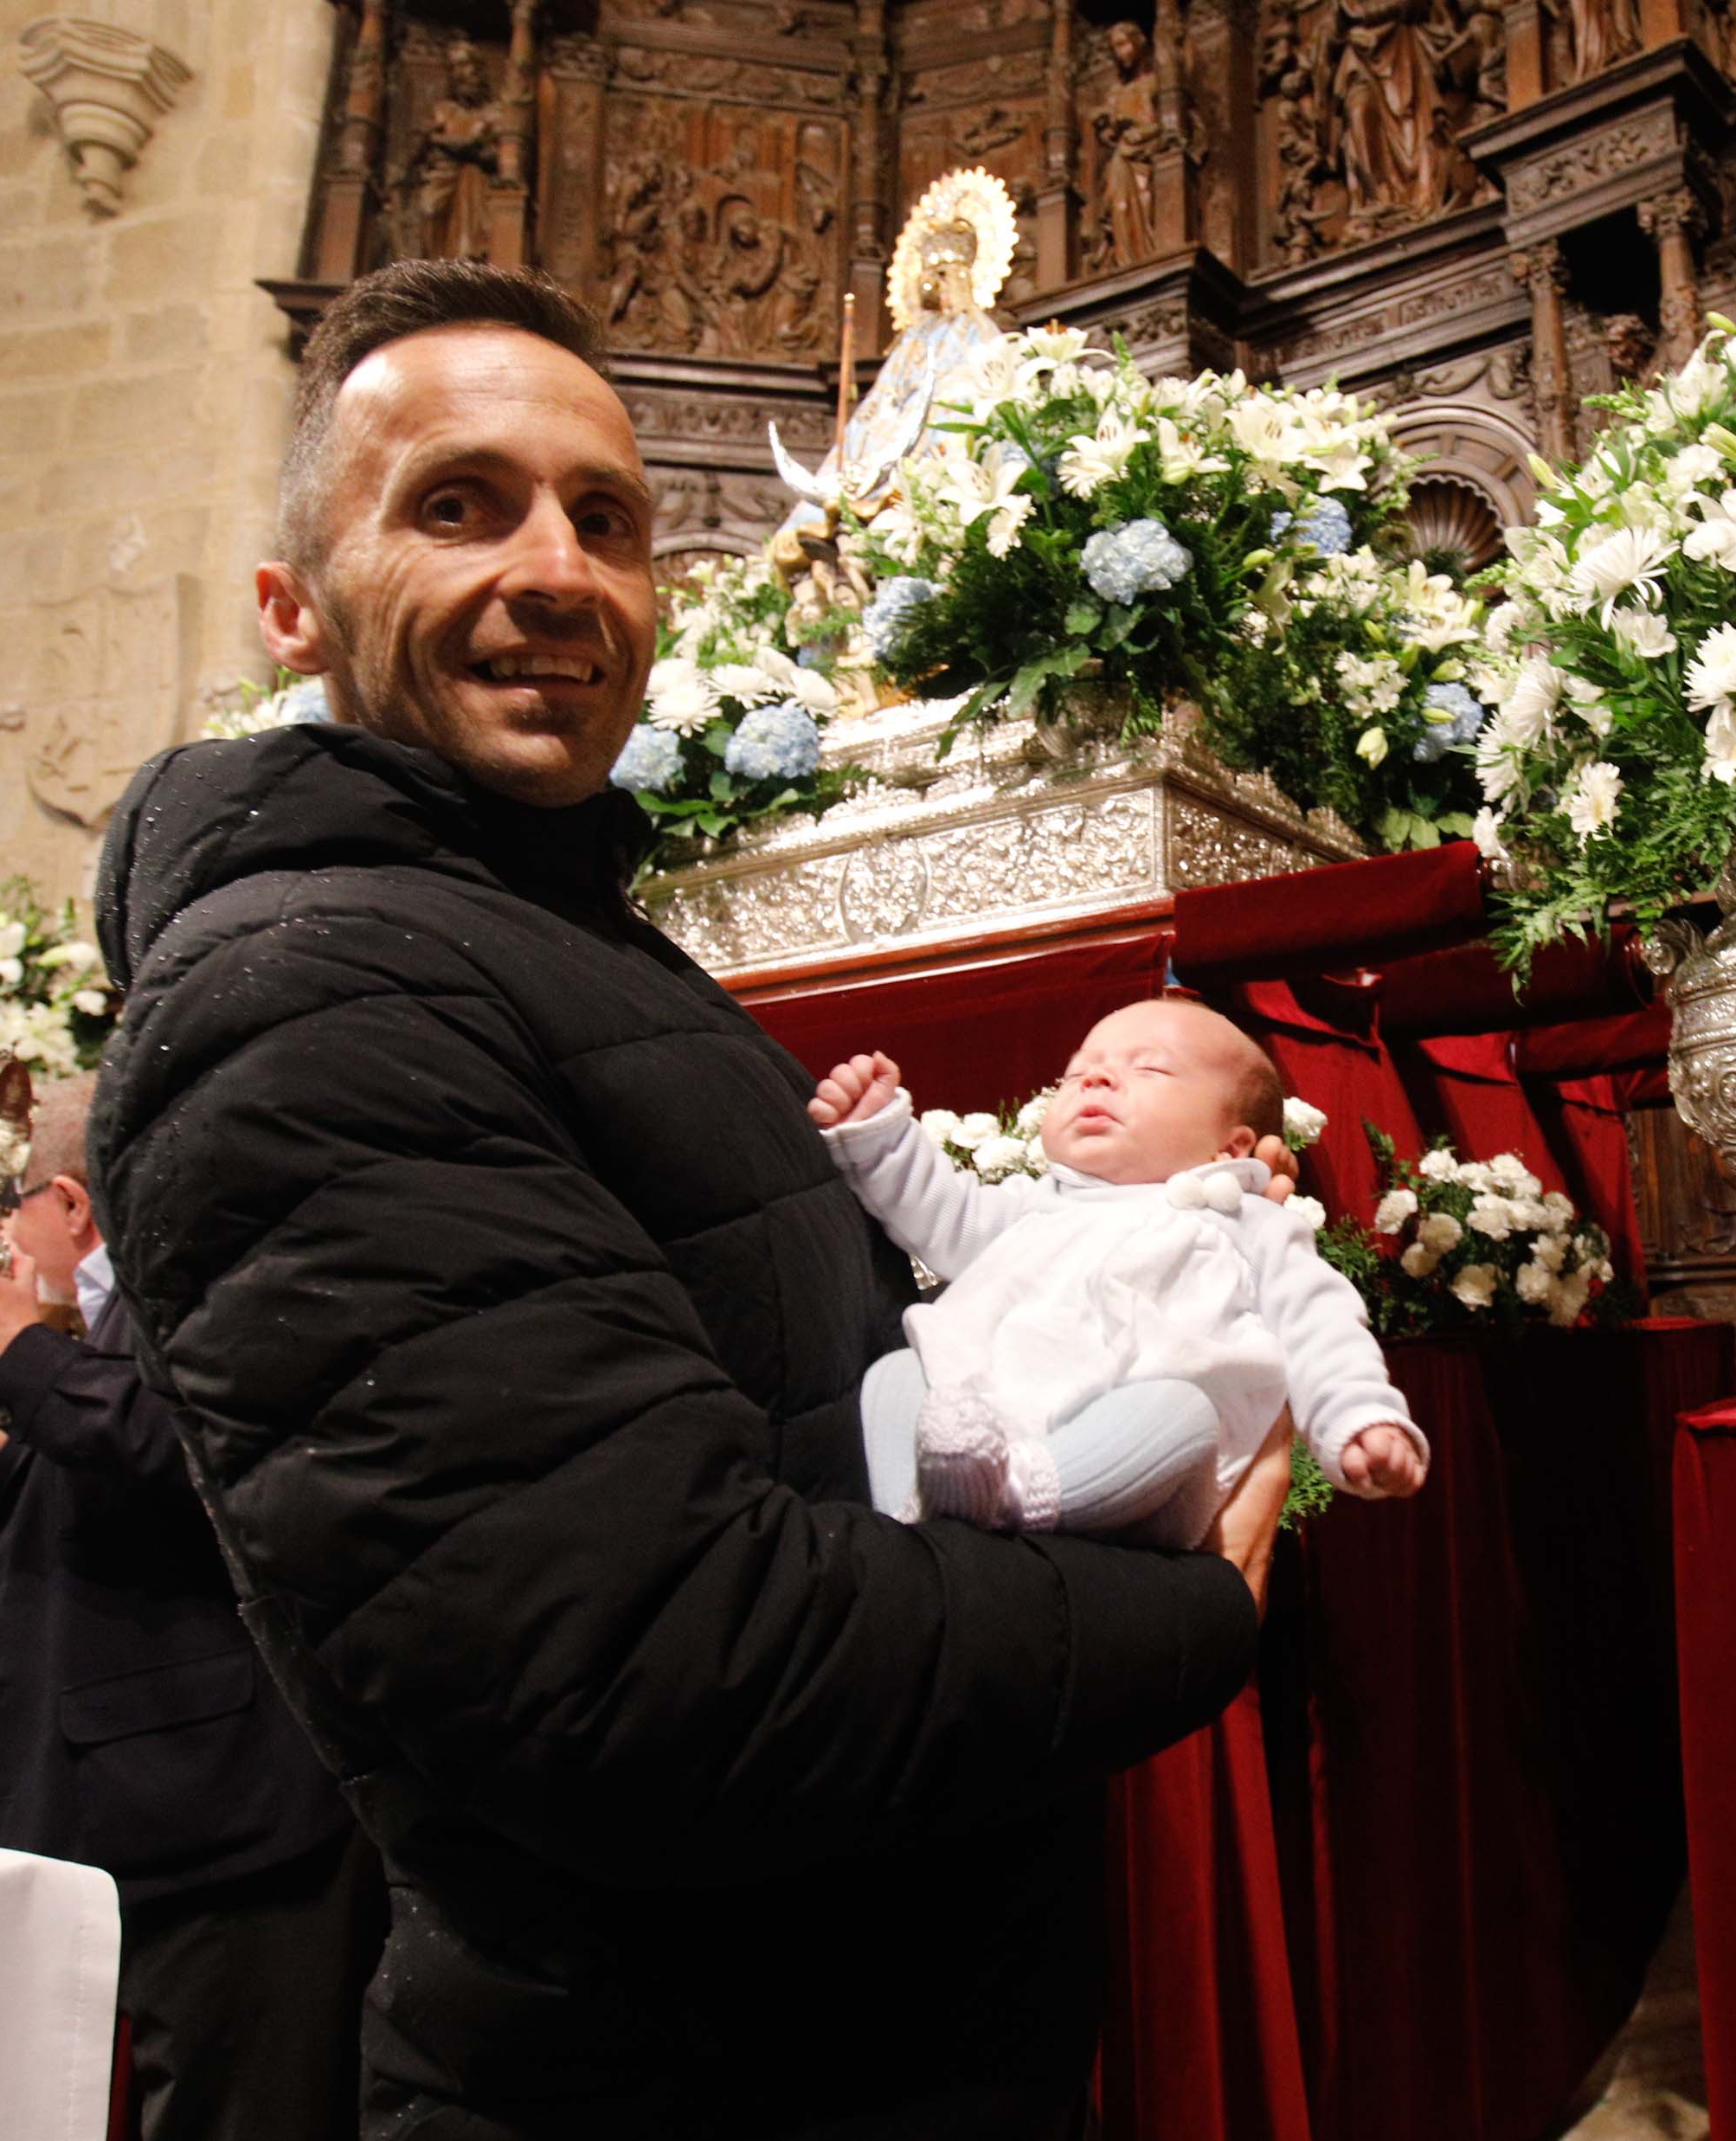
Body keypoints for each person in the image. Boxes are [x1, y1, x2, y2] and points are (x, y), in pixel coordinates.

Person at [89, 256, 1283, 2140]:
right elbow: (654, 1676)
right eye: (458, 505)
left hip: (862, 2031)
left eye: (607, 518)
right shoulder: (308, 993)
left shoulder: (555, 943)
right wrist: (1194, 1597)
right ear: (290, 612)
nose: (554, 568)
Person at [0, 1073, 376, 2141]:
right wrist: (9, 1456)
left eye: (16, 1201)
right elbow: (142, 1493)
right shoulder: (112, 1307)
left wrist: (26, 1360)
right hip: (137, 1791)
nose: (8, 1230)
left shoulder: (214, 1271)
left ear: (70, 1204)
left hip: (218, 1797)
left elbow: (242, 1453)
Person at [811, 1001, 1427, 1541]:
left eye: (1150, 1068)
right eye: (1076, 1072)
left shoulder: (1249, 1226)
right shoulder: (1035, 1205)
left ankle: (1019, 1494)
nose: (1095, 1078)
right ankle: (901, 1521)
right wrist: (880, 1136)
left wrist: (1357, 1416)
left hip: (1132, 1479)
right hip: (978, 1435)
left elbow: (1319, 1325)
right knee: (898, 1371)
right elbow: (940, 1213)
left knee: (1181, 1412)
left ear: (1232, 1148)